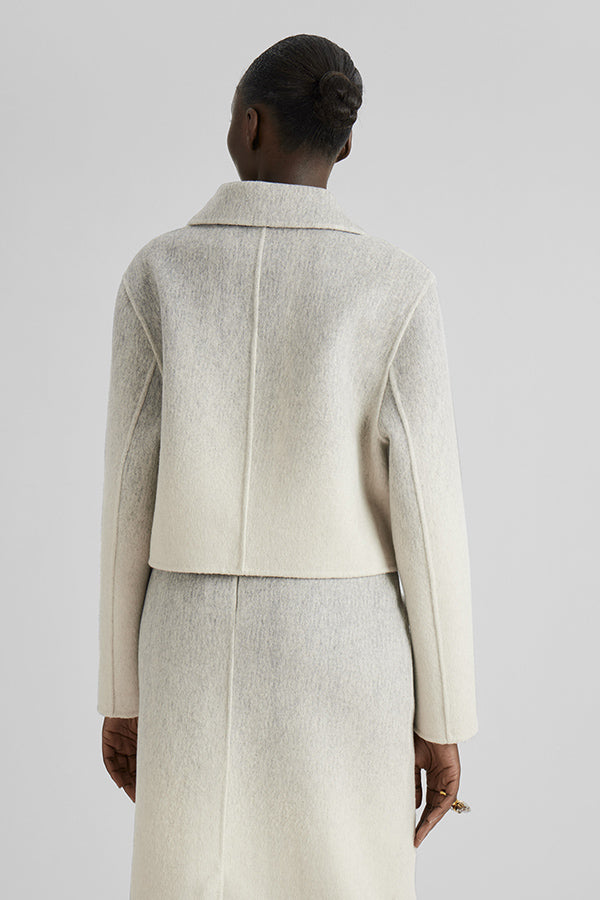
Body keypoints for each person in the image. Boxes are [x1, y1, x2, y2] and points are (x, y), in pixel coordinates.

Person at [97, 33, 478, 900]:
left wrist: (121, 691)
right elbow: (431, 516)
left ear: (249, 124)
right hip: (346, 649)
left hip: (190, 643)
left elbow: (126, 500)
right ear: (345, 145)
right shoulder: (396, 286)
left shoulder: (158, 275)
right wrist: (444, 713)